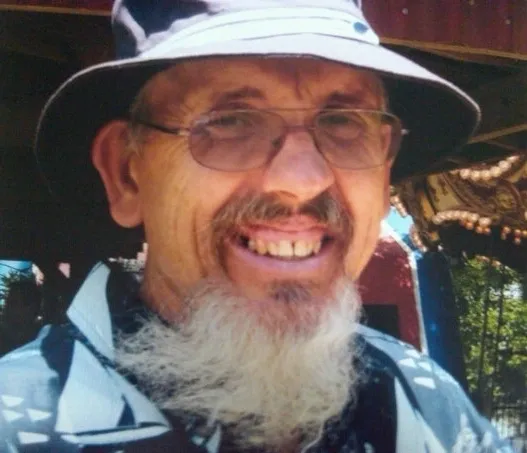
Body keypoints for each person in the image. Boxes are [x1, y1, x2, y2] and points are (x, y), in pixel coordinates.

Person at [0, 1, 514, 452]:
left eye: (344, 121)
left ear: (384, 177)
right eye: (230, 121)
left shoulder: (423, 402)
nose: (303, 181)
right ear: (126, 174)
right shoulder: (22, 426)